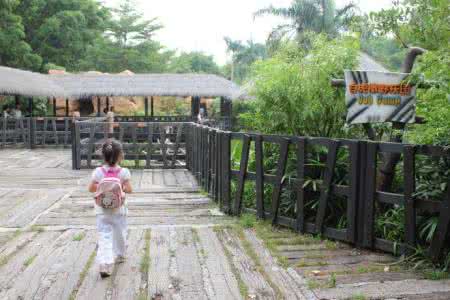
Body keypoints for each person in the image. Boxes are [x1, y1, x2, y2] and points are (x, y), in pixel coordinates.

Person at [88, 139, 132, 278]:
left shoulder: (98, 172)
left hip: (102, 210)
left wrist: (103, 186)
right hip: (119, 210)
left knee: (104, 235)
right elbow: (129, 190)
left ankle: (105, 263)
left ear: (103, 156)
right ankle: (120, 254)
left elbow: (91, 188)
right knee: (120, 233)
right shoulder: (124, 172)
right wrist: (120, 186)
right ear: (120, 156)